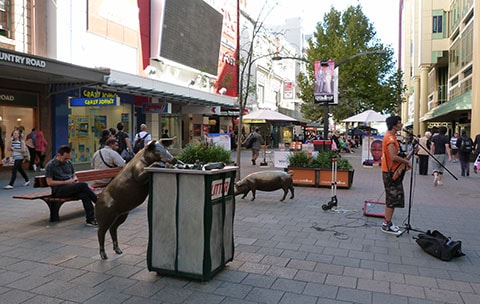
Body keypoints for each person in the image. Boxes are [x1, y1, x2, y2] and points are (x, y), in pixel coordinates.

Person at [45, 145, 98, 226]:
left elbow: (74, 175)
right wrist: (66, 182)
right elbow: (50, 182)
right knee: (83, 185)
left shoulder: (68, 163)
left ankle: (90, 219)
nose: (67, 160)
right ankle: (99, 203)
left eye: (68, 158)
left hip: (71, 187)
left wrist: (74, 179)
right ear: (59, 155)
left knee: (84, 195)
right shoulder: (51, 165)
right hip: (59, 190)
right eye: (65, 158)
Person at [381, 116, 411, 235]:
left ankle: (387, 222)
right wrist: (406, 162)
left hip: (391, 170)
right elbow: (393, 156)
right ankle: (386, 224)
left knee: (392, 198)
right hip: (391, 172)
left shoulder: (391, 136)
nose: (402, 124)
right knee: (392, 199)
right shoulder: (390, 139)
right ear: (394, 125)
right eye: (399, 123)